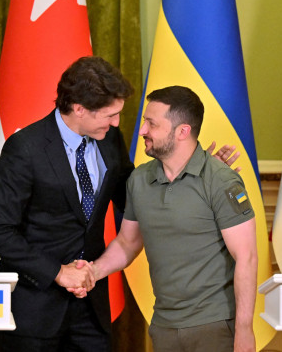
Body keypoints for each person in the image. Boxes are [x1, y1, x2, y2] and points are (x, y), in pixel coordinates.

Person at [77, 85, 258, 352]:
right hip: (163, 327)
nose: (142, 130)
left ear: (182, 131)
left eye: (152, 123)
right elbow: (128, 243)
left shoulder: (220, 180)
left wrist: (244, 330)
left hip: (215, 326)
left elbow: (247, 257)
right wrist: (92, 272)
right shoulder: (139, 179)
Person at [0, 56, 134, 351]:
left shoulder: (110, 139)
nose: (116, 122)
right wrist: (59, 272)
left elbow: (133, 197)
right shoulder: (26, 148)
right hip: (35, 312)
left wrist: (193, 172)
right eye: (109, 115)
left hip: (91, 312)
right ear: (79, 108)